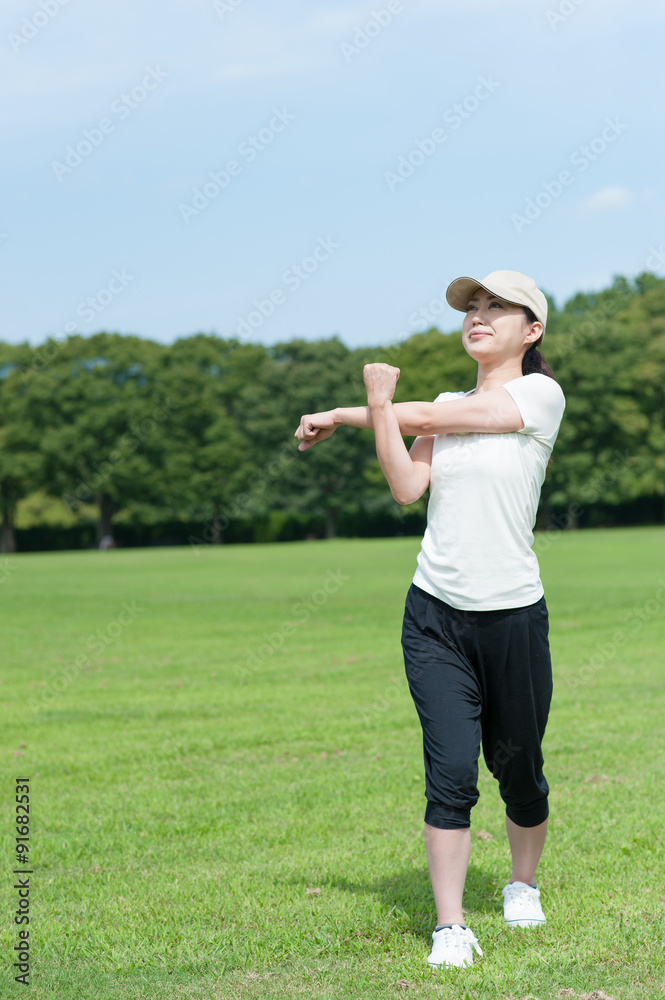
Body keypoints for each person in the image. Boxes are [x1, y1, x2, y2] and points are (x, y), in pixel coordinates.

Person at [294, 270, 566, 970]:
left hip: (511, 618)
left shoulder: (538, 395)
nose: (477, 317)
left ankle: (521, 883)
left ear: (529, 330)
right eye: (470, 309)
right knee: (449, 770)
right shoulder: (440, 403)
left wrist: (360, 407)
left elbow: (441, 419)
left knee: (521, 770)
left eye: (495, 309)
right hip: (434, 615)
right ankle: (449, 926)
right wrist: (377, 412)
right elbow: (406, 487)